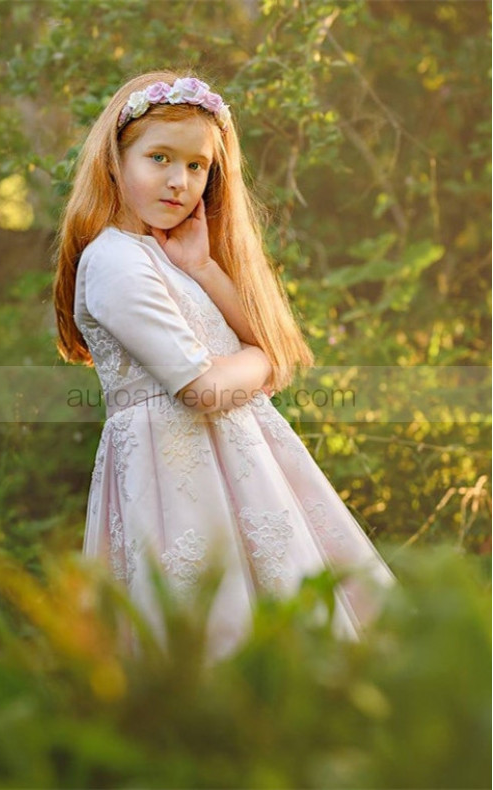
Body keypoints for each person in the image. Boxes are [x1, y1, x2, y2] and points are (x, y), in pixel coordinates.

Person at [53, 70, 396, 662]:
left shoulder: (168, 255)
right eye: (159, 157)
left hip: (245, 470)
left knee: (289, 623)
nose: (178, 180)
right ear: (115, 160)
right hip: (177, 476)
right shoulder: (114, 261)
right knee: (212, 631)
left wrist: (206, 268)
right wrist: (259, 363)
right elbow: (205, 389)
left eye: (196, 166)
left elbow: (270, 346)